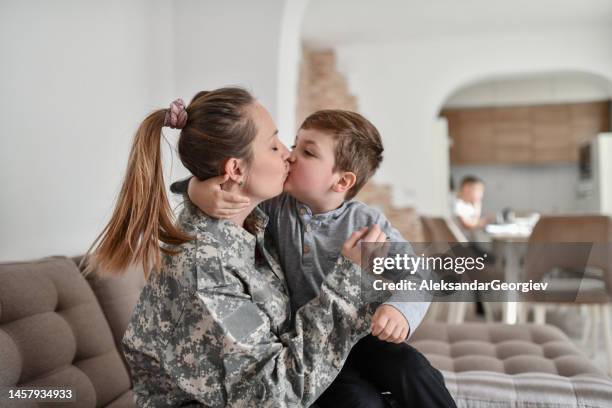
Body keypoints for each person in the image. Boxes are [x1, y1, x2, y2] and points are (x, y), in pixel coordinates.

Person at [85, 88, 397, 407]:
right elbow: (275, 396)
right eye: (274, 145)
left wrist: (193, 188)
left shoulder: (254, 222)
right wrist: (349, 283)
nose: (289, 155)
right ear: (236, 169)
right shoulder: (203, 268)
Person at [180, 110, 456, 408]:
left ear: (341, 182)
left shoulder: (368, 226)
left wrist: (400, 310)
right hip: (311, 348)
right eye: (294, 144)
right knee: (359, 401)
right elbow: (216, 183)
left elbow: (419, 275)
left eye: (307, 152)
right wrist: (197, 189)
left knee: (414, 371)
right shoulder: (275, 206)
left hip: (364, 337)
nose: (291, 155)